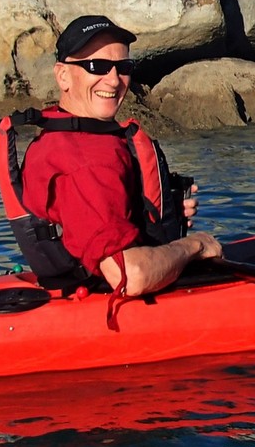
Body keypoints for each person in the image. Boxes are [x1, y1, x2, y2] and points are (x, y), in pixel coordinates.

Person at [13, 15, 222, 300]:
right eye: (95, 66)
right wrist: (195, 246)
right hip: (103, 302)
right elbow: (128, 276)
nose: (113, 80)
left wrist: (156, 217)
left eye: (123, 67)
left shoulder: (65, 135)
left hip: (77, 282)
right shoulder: (85, 159)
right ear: (62, 75)